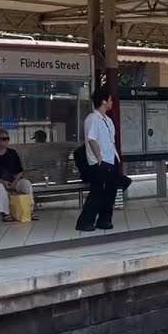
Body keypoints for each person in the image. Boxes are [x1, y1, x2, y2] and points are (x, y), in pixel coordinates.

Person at [75, 87, 119, 232]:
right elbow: (92, 139)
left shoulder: (108, 120)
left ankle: (104, 219)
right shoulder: (93, 119)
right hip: (99, 162)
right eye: (110, 100)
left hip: (111, 159)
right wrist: (99, 157)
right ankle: (85, 221)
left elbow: (110, 141)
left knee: (110, 191)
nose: (112, 102)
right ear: (103, 101)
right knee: (97, 192)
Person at [0, 131, 34, 222]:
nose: (5, 141)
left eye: (7, 139)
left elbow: (20, 171)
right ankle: (6, 212)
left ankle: (29, 210)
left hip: (13, 180)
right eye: (2, 139)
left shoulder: (12, 153)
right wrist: (2, 181)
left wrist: (15, 181)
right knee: (1, 187)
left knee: (26, 184)